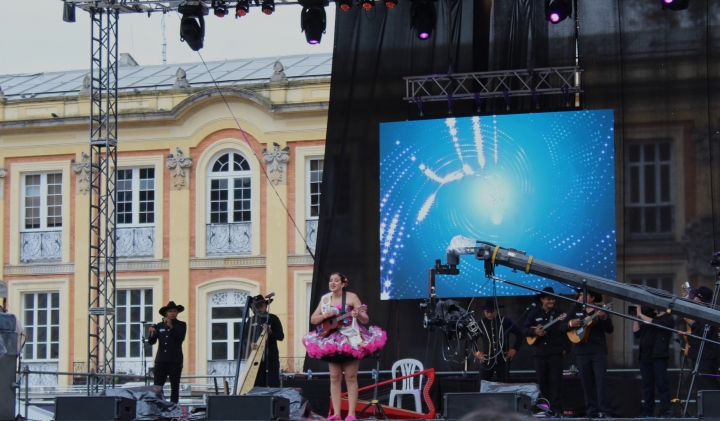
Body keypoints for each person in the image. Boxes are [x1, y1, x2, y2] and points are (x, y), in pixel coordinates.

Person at [302, 273, 387, 421]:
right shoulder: (325, 299)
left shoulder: (352, 297)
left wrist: (357, 315)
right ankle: (336, 414)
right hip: (332, 340)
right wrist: (325, 315)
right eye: (330, 280)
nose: (332, 283)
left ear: (343, 284)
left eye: (336, 280)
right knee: (334, 377)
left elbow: (365, 319)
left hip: (351, 338)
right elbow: (313, 319)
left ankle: (351, 414)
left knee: (351, 377)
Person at [560, 290, 613, 418]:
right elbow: (561, 327)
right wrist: (570, 323)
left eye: (584, 295)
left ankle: (605, 411)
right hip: (581, 351)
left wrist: (603, 317)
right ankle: (591, 411)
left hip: (598, 350)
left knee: (601, 381)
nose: (580, 297)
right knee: (586, 382)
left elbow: (610, 329)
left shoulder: (599, 309)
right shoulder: (576, 309)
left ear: (592, 298)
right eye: (580, 295)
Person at [521, 287, 570, 418]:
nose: (551, 301)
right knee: (542, 381)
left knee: (556, 381)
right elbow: (524, 329)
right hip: (539, 352)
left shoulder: (559, 313)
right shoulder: (534, 313)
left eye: (553, 299)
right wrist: (534, 332)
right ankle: (545, 407)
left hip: (555, 351)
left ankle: (558, 409)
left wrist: (566, 348)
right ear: (542, 299)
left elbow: (565, 331)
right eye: (548, 299)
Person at [632, 305, 674, 417]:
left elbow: (656, 323)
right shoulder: (649, 317)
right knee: (647, 387)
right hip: (645, 357)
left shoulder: (667, 318)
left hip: (659, 357)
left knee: (662, 385)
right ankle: (648, 413)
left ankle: (665, 412)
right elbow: (637, 333)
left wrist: (641, 315)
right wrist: (636, 318)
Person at [475, 297, 523, 383]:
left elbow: (519, 333)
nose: (489, 314)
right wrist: (477, 352)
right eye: (487, 312)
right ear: (484, 311)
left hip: (503, 360)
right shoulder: (480, 323)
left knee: (503, 385)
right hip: (487, 360)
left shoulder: (505, 320)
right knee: (483, 385)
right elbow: (472, 338)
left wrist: (514, 349)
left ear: (496, 310)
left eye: (492, 312)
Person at [682, 285, 720, 391]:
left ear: (699, 299)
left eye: (694, 297)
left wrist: (691, 322)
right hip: (699, 355)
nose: (693, 298)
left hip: (706, 357)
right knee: (701, 387)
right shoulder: (700, 312)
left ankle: (712, 406)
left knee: (707, 386)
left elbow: (704, 332)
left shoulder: (708, 313)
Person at [148, 301, 187, 403]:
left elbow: (180, 339)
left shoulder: (181, 325)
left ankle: (174, 407)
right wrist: (152, 334)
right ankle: (159, 405)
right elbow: (152, 342)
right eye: (170, 311)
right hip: (161, 360)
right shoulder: (159, 325)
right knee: (157, 386)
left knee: (175, 386)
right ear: (166, 313)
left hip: (175, 361)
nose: (172, 313)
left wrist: (171, 327)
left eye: (174, 311)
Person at [250, 294, 284, 387]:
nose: (260, 308)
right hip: (255, 359)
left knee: (273, 383)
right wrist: (250, 344)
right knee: (258, 383)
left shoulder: (273, 318)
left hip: (271, 357)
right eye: (257, 307)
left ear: (266, 306)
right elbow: (245, 337)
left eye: (261, 306)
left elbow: (281, 336)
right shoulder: (250, 320)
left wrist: (271, 332)